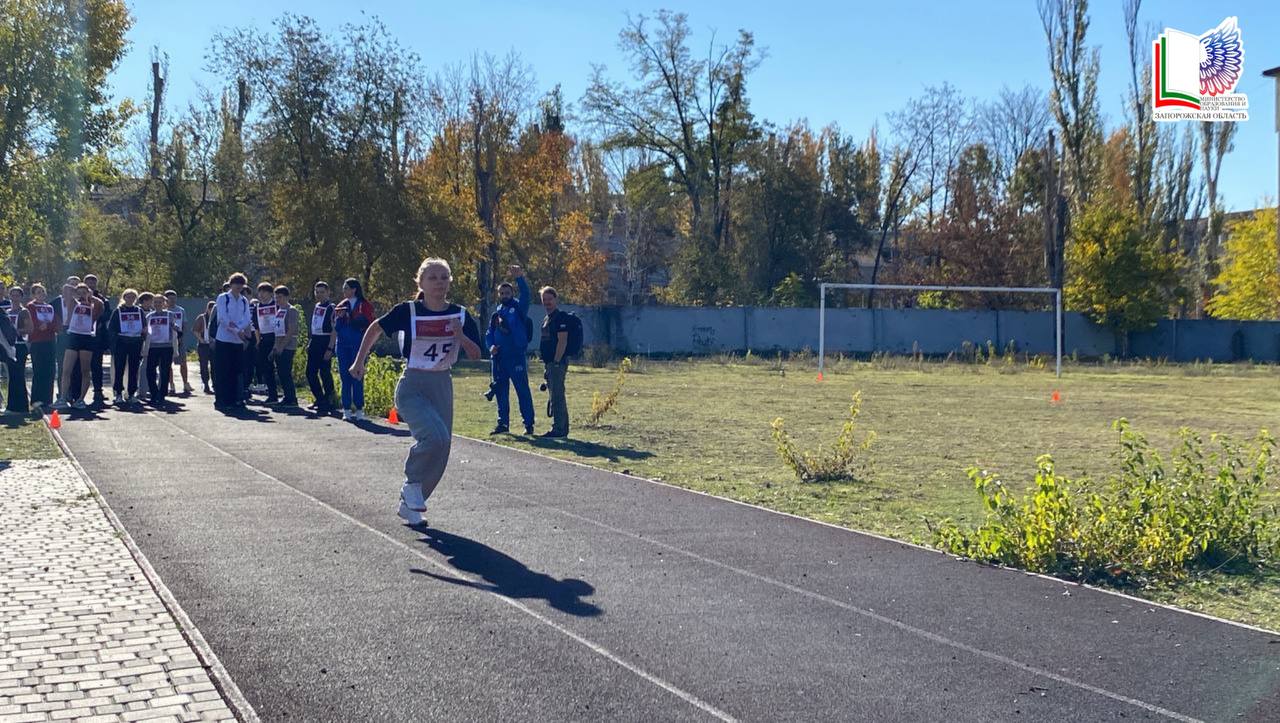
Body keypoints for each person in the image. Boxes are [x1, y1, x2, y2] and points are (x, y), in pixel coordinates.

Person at [349, 257, 482, 525]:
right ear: (420, 282)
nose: (439, 283)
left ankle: (411, 503)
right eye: (432, 278)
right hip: (412, 384)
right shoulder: (408, 311)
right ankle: (411, 484)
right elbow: (375, 328)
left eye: (444, 277)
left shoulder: (460, 314)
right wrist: (359, 361)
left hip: (442, 382)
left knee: (443, 448)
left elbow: (476, 355)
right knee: (433, 437)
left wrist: (460, 336)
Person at [484, 265, 535, 435]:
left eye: (508, 293)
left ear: (512, 293)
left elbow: (527, 295)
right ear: (498, 295)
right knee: (501, 391)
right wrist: (490, 346)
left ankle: (528, 424)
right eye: (502, 293)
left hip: (516, 356)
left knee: (522, 390)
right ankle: (503, 424)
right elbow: (489, 333)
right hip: (499, 359)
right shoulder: (496, 313)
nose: (505, 296)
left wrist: (520, 278)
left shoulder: (519, 308)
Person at [52, 283, 104, 411]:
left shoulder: (93, 305)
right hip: (73, 336)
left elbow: (100, 305)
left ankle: (80, 399)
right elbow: (67, 289)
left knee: (85, 370)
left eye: (84, 292)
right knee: (66, 369)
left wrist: (89, 296)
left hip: (87, 337)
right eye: (79, 292)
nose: (81, 295)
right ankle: (63, 398)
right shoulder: (73, 303)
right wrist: (76, 292)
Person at [335, 278, 374, 421]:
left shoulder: (364, 305)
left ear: (354, 289)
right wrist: (340, 318)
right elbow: (337, 327)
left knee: (357, 376)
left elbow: (368, 324)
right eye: (343, 288)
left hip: (358, 345)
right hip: (343, 345)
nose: (344, 291)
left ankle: (359, 410)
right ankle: (346, 409)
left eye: (346, 288)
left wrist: (351, 318)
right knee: (345, 377)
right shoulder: (341, 305)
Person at [214, 274, 253, 412]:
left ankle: (234, 398)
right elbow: (223, 318)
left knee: (236, 370)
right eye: (236, 283)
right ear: (230, 284)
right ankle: (221, 400)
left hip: (237, 341)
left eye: (241, 284)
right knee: (223, 370)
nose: (238, 286)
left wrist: (240, 328)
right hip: (224, 339)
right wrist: (236, 330)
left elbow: (247, 318)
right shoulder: (223, 298)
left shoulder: (244, 301)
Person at [539, 285, 571, 438]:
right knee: (554, 395)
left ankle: (559, 429)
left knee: (557, 396)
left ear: (556, 299)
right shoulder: (547, 319)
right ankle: (561, 428)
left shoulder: (560, 317)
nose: (547, 302)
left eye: (549, 299)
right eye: (544, 300)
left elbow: (562, 341)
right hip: (550, 363)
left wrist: (557, 361)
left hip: (557, 363)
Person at [108, 289, 145, 405]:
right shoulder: (118, 311)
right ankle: (118, 393)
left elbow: (144, 326)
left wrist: (142, 335)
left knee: (134, 369)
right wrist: (114, 343)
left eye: (133, 297)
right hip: (122, 342)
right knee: (119, 368)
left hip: (135, 342)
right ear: (124, 298)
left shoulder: (139, 310)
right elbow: (111, 328)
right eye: (128, 297)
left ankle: (132, 393)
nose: (130, 299)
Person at [305, 281, 337, 413]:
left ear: (328, 292)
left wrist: (330, 348)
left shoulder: (331, 307)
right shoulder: (317, 306)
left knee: (325, 372)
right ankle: (320, 398)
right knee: (310, 372)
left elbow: (334, 330)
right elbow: (314, 325)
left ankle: (330, 399)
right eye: (317, 292)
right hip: (315, 341)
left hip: (326, 341)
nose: (319, 295)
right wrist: (310, 341)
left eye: (322, 292)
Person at [26, 284, 57, 412]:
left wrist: (48, 326)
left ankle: (48, 399)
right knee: (39, 370)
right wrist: (43, 326)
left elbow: (55, 323)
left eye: (43, 292)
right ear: (33, 295)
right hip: (37, 341)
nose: (41, 294)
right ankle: (36, 399)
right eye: (38, 292)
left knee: (50, 370)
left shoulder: (49, 307)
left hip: (50, 341)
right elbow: (34, 323)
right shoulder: (30, 307)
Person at [271, 286, 300, 408]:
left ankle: (292, 398)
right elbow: (277, 331)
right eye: (276, 297)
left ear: (287, 297)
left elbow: (291, 329)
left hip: (288, 346)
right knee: (281, 373)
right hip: (278, 346)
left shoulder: (291, 310)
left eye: (280, 297)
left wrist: (282, 346)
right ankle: (287, 396)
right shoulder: (279, 310)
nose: (278, 299)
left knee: (285, 372)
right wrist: (275, 347)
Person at [144, 294, 175, 406]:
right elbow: (145, 330)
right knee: (150, 370)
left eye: (160, 302)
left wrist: (175, 327)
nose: (157, 304)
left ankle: (162, 394)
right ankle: (153, 393)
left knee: (165, 370)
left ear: (164, 303)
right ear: (153, 303)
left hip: (166, 346)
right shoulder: (149, 316)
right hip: (153, 346)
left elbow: (174, 326)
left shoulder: (170, 314)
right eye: (155, 302)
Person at [84, 274, 111, 406]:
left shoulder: (102, 299)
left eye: (93, 282)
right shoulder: (78, 297)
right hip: (81, 336)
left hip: (97, 337)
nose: (91, 284)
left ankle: (98, 391)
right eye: (88, 282)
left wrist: (97, 319)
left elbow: (107, 313)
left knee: (96, 366)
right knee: (80, 366)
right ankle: (76, 392)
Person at [5, 287, 31, 415]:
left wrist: (16, 331)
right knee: (12, 376)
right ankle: (12, 406)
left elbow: (29, 329)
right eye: (12, 295)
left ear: (21, 297)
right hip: (9, 346)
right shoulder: (7, 311)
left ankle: (22, 406)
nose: (14, 298)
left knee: (19, 375)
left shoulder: (24, 311)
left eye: (17, 296)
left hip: (20, 346)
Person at [251, 282, 279, 403]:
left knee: (281, 368)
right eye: (260, 292)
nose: (261, 295)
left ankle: (289, 396)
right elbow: (256, 326)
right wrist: (258, 340)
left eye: (264, 292)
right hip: (264, 339)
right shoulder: (257, 307)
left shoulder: (276, 305)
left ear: (270, 293)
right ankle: (272, 395)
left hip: (277, 338)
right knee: (266, 367)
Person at [164, 290, 194, 396]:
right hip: (166, 340)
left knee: (183, 363)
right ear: (166, 299)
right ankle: (171, 384)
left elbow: (184, 324)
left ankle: (185, 383)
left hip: (179, 339)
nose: (172, 301)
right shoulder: (163, 311)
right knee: (167, 364)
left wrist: (182, 337)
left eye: (174, 298)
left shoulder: (180, 310)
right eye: (170, 299)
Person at [192, 301, 215, 394]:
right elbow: (195, 330)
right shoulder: (202, 318)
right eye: (211, 310)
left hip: (214, 345)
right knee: (204, 365)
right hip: (204, 345)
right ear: (208, 309)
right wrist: (201, 339)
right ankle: (205, 384)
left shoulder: (217, 318)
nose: (213, 312)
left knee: (215, 366)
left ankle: (215, 384)